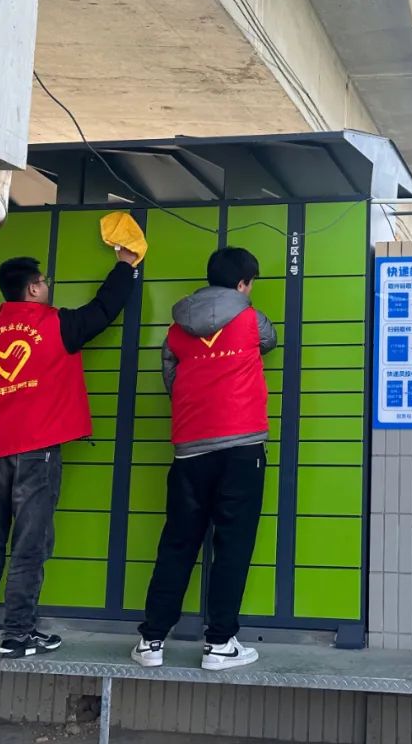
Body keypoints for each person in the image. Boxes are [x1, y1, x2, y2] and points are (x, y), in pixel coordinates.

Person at [0, 247, 138, 658]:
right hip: (36, 453)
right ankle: (18, 636)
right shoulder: (58, 324)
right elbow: (104, 309)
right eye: (44, 281)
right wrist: (125, 265)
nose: (47, 286)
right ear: (34, 288)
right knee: (29, 546)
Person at [132, 246, 276, 672]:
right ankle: (220, 644)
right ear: (243, 284)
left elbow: (171, 380)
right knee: (233, 546)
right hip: (242, 447)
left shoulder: (176, 330)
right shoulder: (251, 319)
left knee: (177, 544)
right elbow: (270, 341)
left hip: (190, 449)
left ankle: (152, 640)